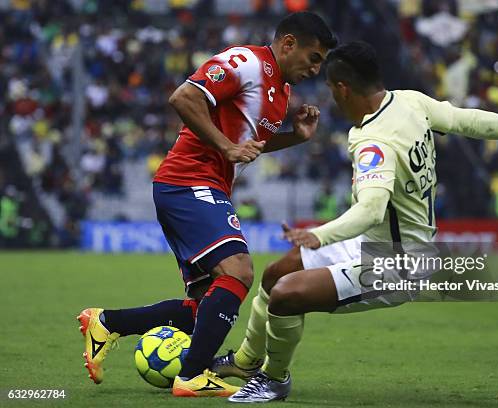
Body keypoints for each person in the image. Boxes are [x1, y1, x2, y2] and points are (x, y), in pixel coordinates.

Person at [215, 41, 498, 403]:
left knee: (286, 295)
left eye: (330, 88)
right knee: (276, 274)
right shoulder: (410, 101)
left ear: (343, 88)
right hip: (375, 243)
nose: (331, 98)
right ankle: (247, 361)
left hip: (398, 263)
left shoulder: (373, 141)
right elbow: (467, 120)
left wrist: (317, 235)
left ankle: (273, 380)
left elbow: (371, 209)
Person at [76, 11, 337, 398]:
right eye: (314, 58)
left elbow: (248, 145)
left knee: (204, 307)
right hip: (189, 180)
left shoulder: (280, 93)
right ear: (288, 44)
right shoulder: (246, 62)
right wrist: (226, 146)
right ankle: (193, 375)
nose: (316, 69)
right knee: (239, 271)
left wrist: (295, 137)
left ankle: (107, 322)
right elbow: (183, 97)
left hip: (201, 186)